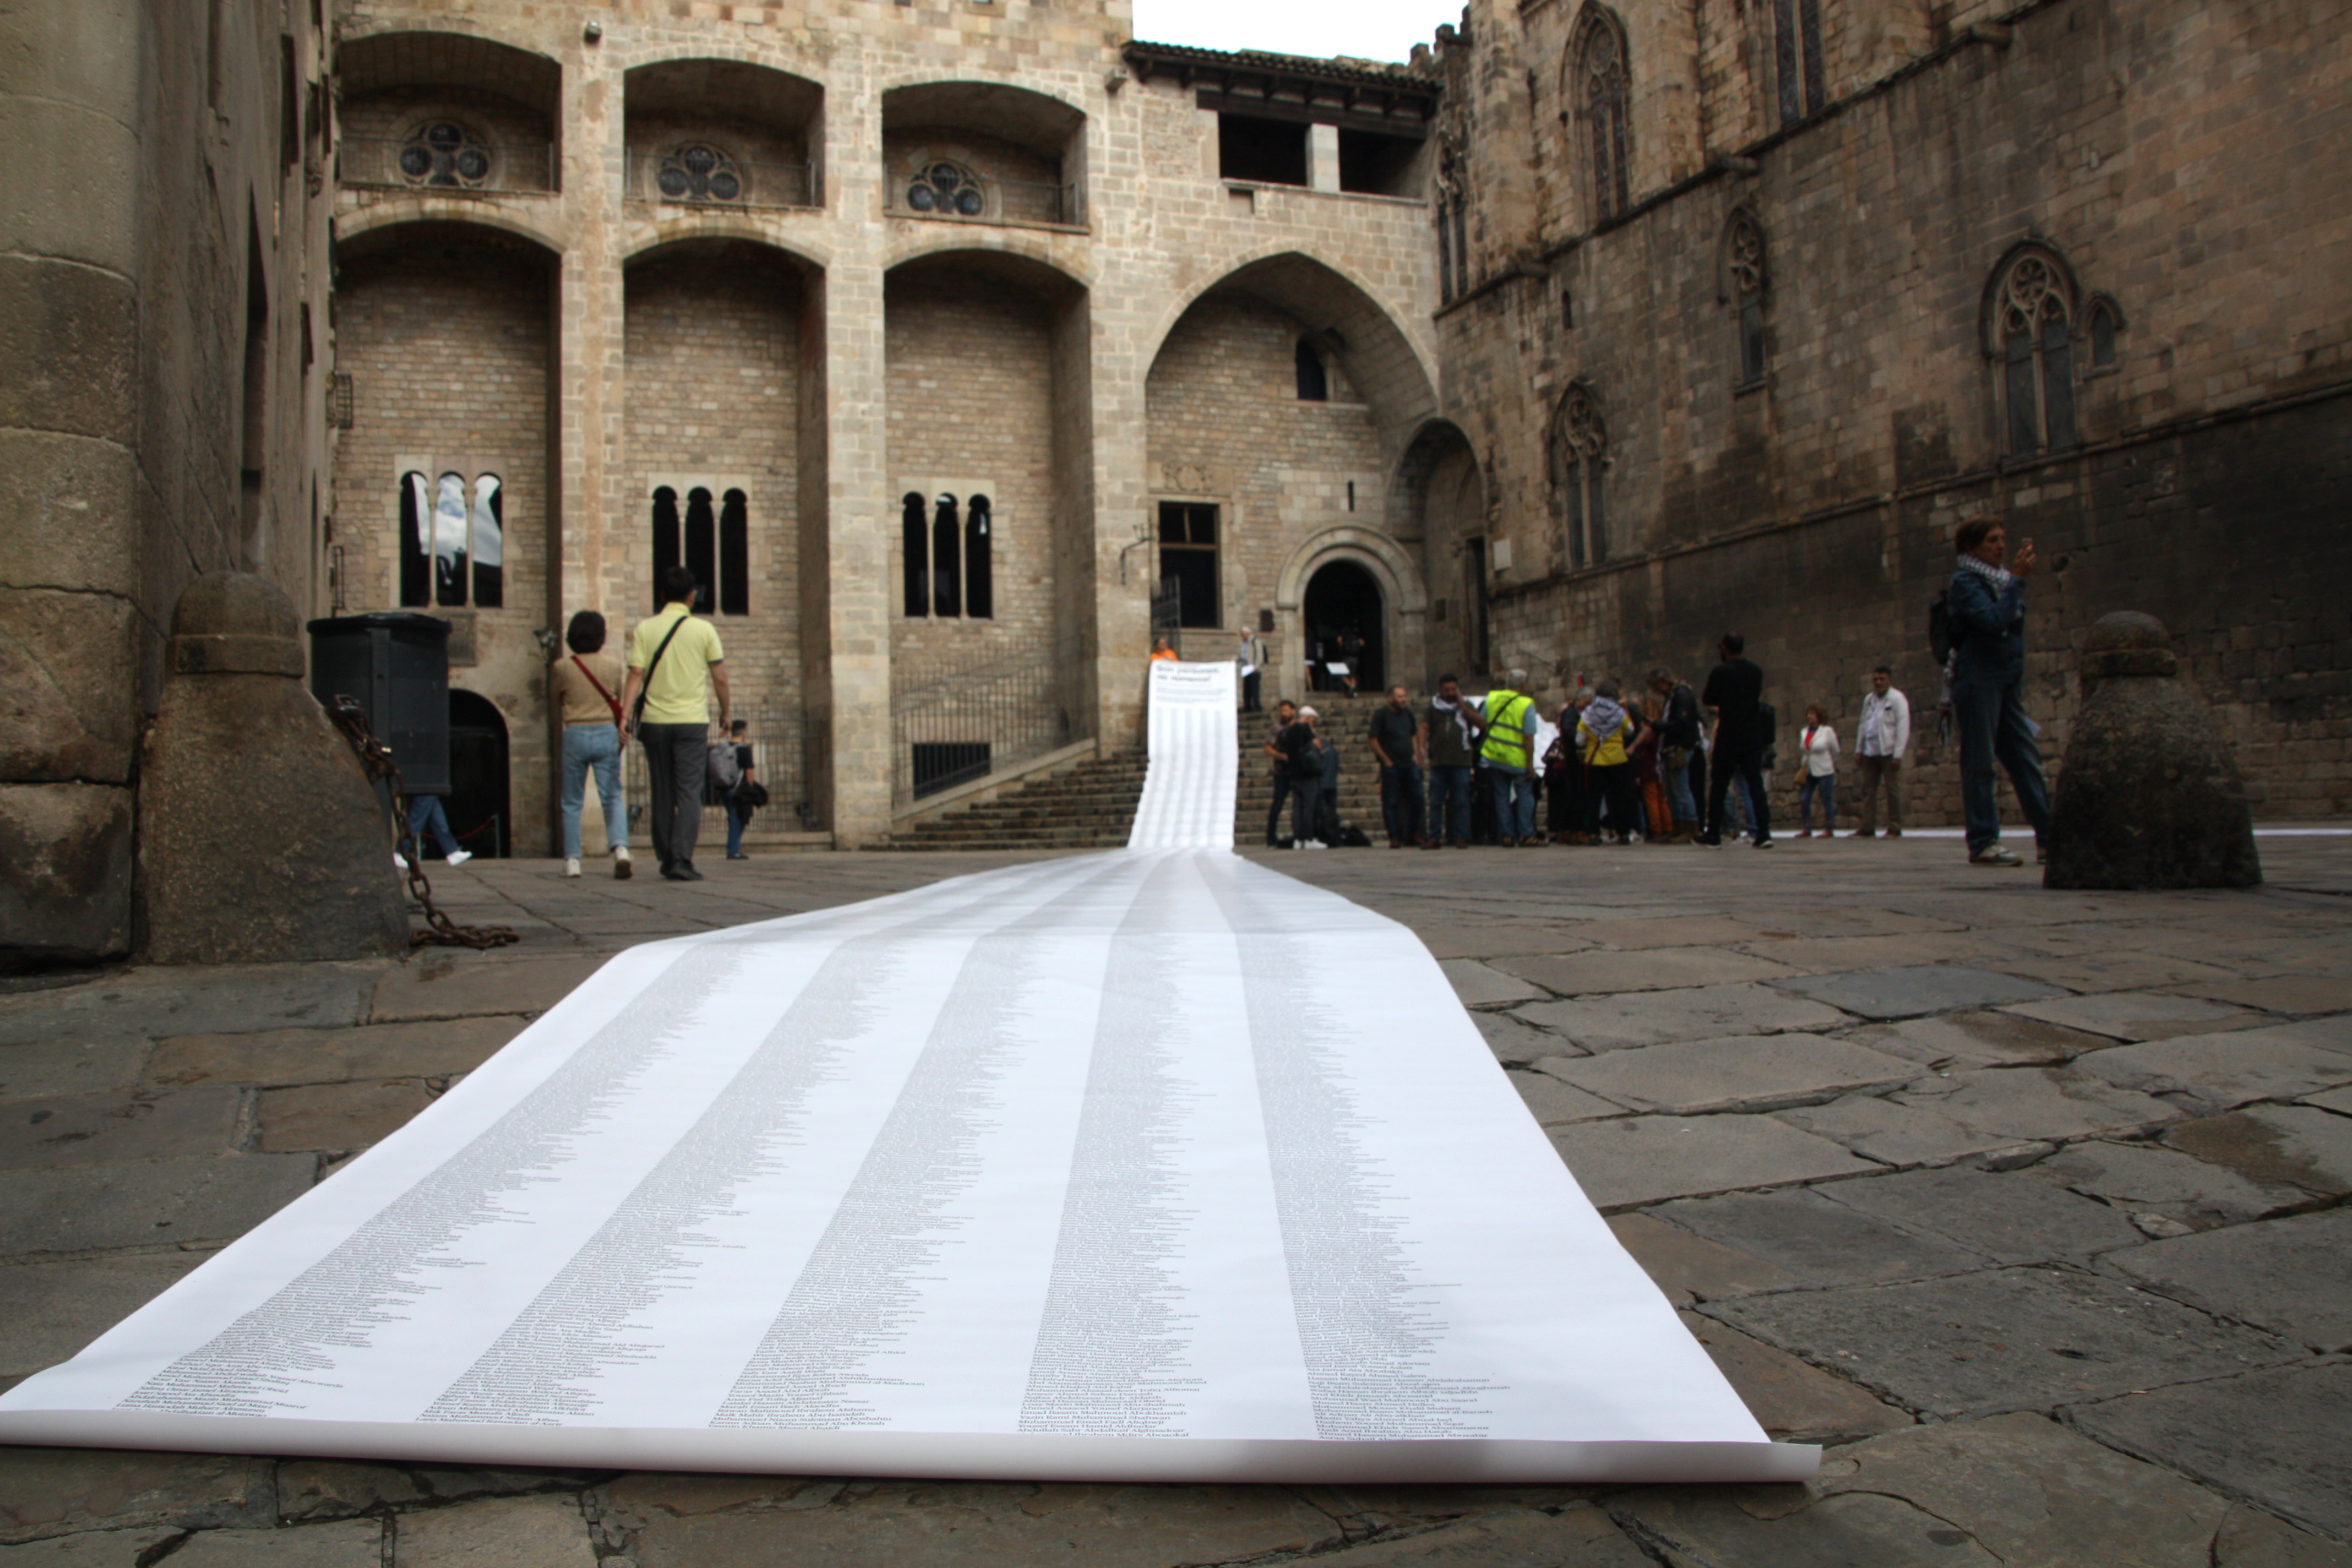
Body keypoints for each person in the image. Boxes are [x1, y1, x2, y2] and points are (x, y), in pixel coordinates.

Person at [1947, 517, 2053, 866]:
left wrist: (2014, 583)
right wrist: (2018, 582)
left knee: (2025, 758)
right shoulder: (1966, 582)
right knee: (1980, 762)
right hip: (1978, 678)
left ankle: (2050, 837)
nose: (2000, 545)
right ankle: (1983, 840)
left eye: (2002, 539)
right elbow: (1992, 621)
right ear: (1973, 547)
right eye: (1992, 540)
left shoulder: (2002, 580)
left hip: (2005, 679)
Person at [622, 565, 728, 882]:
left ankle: (666, 857)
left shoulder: (645, 628)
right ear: (692, 596)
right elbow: (720, 677)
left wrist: (625, 715)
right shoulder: (704, 630)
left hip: (655, 723)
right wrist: (726, 712)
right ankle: (682, 858)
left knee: (663, 792)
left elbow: (636, 674)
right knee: (689, 792)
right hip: (691, 722)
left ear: (662, 595)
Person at [548, 609, 632, 880]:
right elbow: (618, 696)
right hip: (606, 731)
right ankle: (620, 849)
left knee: (572, 800)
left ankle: (573, 860)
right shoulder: (613, 665)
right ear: (602, 637)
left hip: (576, 732)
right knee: (612, 796)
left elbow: (554, 698)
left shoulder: (562, 667)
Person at [1700, 633, 1773, 848]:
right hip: (1752, 733)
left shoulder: (1721, 671)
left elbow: (1708, 698)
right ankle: (1764, 833)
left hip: (1729, 733)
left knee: (1719, 785)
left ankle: (1713, 832)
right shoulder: (1756, 671)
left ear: (1725, 648)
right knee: (1755, 785)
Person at [1418, 673, 1481, 849]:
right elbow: (1424, 727)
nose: (1450, 693)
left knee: (1461, 801)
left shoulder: (1465, 705)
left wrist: (1464, 708)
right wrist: (1421, 748)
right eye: (1447, 690)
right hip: (1439, 762)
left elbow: (1481, 724)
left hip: (1461, 762)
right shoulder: (1433, 708)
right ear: (1440, 690)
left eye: (1453, 689)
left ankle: (1461, 836)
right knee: (1436, 801)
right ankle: (1435, 836)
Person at [1480, 668, 1539, 846]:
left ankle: (1507, 835)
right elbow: (1528, 736)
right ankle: (1526, 834)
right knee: (1525, 795)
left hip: (1495, 756)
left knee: (1501, 796)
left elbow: (1484, 723)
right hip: (1517, 758)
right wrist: (1530, 764)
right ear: (1523, 685)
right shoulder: (1526, 704)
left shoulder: (1492, 698)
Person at [1577, 679, 1639, 845]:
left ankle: (1594, 834)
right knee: (1620, 797)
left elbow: (1579, 740)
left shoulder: (1588, 714)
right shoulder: (1619, 713)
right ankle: (1624, 832)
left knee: (1594, 799)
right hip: (1618, 759)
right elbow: (1630, 731)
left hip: (1596, 760)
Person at [1852, 665, 1911, 837]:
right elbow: (1863, 724)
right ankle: (1868, 827)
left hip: (1889, 751)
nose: (1878, 683)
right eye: (1876, 680)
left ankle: (1894, 827)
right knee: (1868, 790)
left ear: (1889, 680)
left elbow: (1903, 727)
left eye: (1882, 679)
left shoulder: (1897, 699)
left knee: (1892, 790)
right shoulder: (1869, 699)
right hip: (1871, 751)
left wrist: (1898, 755)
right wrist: (1859, 749)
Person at [1368, 685, 1427, 848]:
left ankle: (1412, 832)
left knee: (1418, 800)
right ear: (1390, 698)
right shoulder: (1381, 715)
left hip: (1409, 764)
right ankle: (1394, 836)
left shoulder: (1407, 714)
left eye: (1405, 696)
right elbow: (1373, 739)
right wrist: (1385, 760)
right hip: (1392, 766)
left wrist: (1415, 754)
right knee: (1390, 802)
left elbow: (1413, 734)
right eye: (1400, 697)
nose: (1404, 700)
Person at [1650, 668, 1702, 841]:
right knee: (1672, 790)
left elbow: (1681, 723)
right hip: (1672, 746)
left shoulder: (1682, 695)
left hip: (1681, 746)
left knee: (1681, 788)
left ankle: (1691, 826)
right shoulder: (1673, 696)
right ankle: (1678, 826)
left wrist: (1661, 726)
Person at [1277, 704, 1325, 848]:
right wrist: (1314, 733)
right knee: (1308, 807)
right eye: (1313, 720)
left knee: (1297, 808)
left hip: (1294, 773)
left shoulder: (1289, 731)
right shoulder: (1305, 729)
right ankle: (1309, 838)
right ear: (1309, 718)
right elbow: (1318, 745)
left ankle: (1298, 839)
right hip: (1307, 773)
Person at [1261, 699, 1302, 847]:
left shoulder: (1299, 727)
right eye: (1282, 711)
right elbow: (1267, 748)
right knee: (1277, 804)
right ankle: (1271, 836)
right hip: (1282, 772)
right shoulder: (1277, 728)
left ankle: (1301, 834)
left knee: (1300, 805)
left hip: (1298, 772)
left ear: (1293, 711)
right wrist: (1283, 756)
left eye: (1286, 710)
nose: (1283, 714)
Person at [1795, 704, 1839, 837]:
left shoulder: (1827, 731)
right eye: (1808, 714)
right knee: (1804, 798)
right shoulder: (1804, 732)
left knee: (1826, 798)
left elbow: (1835, 750)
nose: (1809, 717)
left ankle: (1829, 828)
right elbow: (1804, 750)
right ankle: (1807, 828)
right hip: (1809, 770)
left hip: (1824, 769)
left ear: (1818, 716)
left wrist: (1832, 763)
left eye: (1812, 714)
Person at [402, 793, 470, 869]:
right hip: (426, 786)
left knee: (438, 820)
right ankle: (402, 850)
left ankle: (451, 851)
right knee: (418, 818)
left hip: (430, 786)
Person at [721, 718, 757, 861]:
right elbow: (749, 772)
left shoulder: (723, 749)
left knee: (733, 817)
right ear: (743, 732)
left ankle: (733, 848)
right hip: (739, 790)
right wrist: (750, 789)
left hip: (724, 788)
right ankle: (733, 851)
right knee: (738, 819)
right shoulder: (744, 750)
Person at [1236, 628, 1265, 712]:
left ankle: (1257, 706)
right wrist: (1235, 660)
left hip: (1253, 667)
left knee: (1254, 688)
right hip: (1246, 667)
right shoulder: (1245, 643)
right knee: (1247, 688)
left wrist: (1257, 666)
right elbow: (1242, 655)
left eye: (1243, 634)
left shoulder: (1255, 641)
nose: (1242, 636)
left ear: (1247, 634)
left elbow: (1260, 655)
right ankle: (1248, 706)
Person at [1336, 627, 1365, 699]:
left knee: (1342, 675)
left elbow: (1340, 645)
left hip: (1347, 658)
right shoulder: (1356, 637)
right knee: (1353, 675)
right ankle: (1354, 691)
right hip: (1355, 658)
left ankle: (1351, 687)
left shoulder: (1342, 637)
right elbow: (1363, 643)